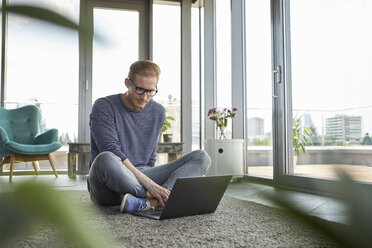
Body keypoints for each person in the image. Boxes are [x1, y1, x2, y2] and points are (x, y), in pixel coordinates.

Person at [87, 60, 211, 213]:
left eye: (150, 91)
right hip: (109, 183)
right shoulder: (104, 106)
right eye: (139, 89)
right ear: (127, 83)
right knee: (105, 158)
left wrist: (153, 184)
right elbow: (111, 149)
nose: (144, 97)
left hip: (142, 174)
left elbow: (150, 155)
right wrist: (150, 186)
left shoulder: (158, 111)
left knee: (202, 156)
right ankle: (153, 197)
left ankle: (156, 198)